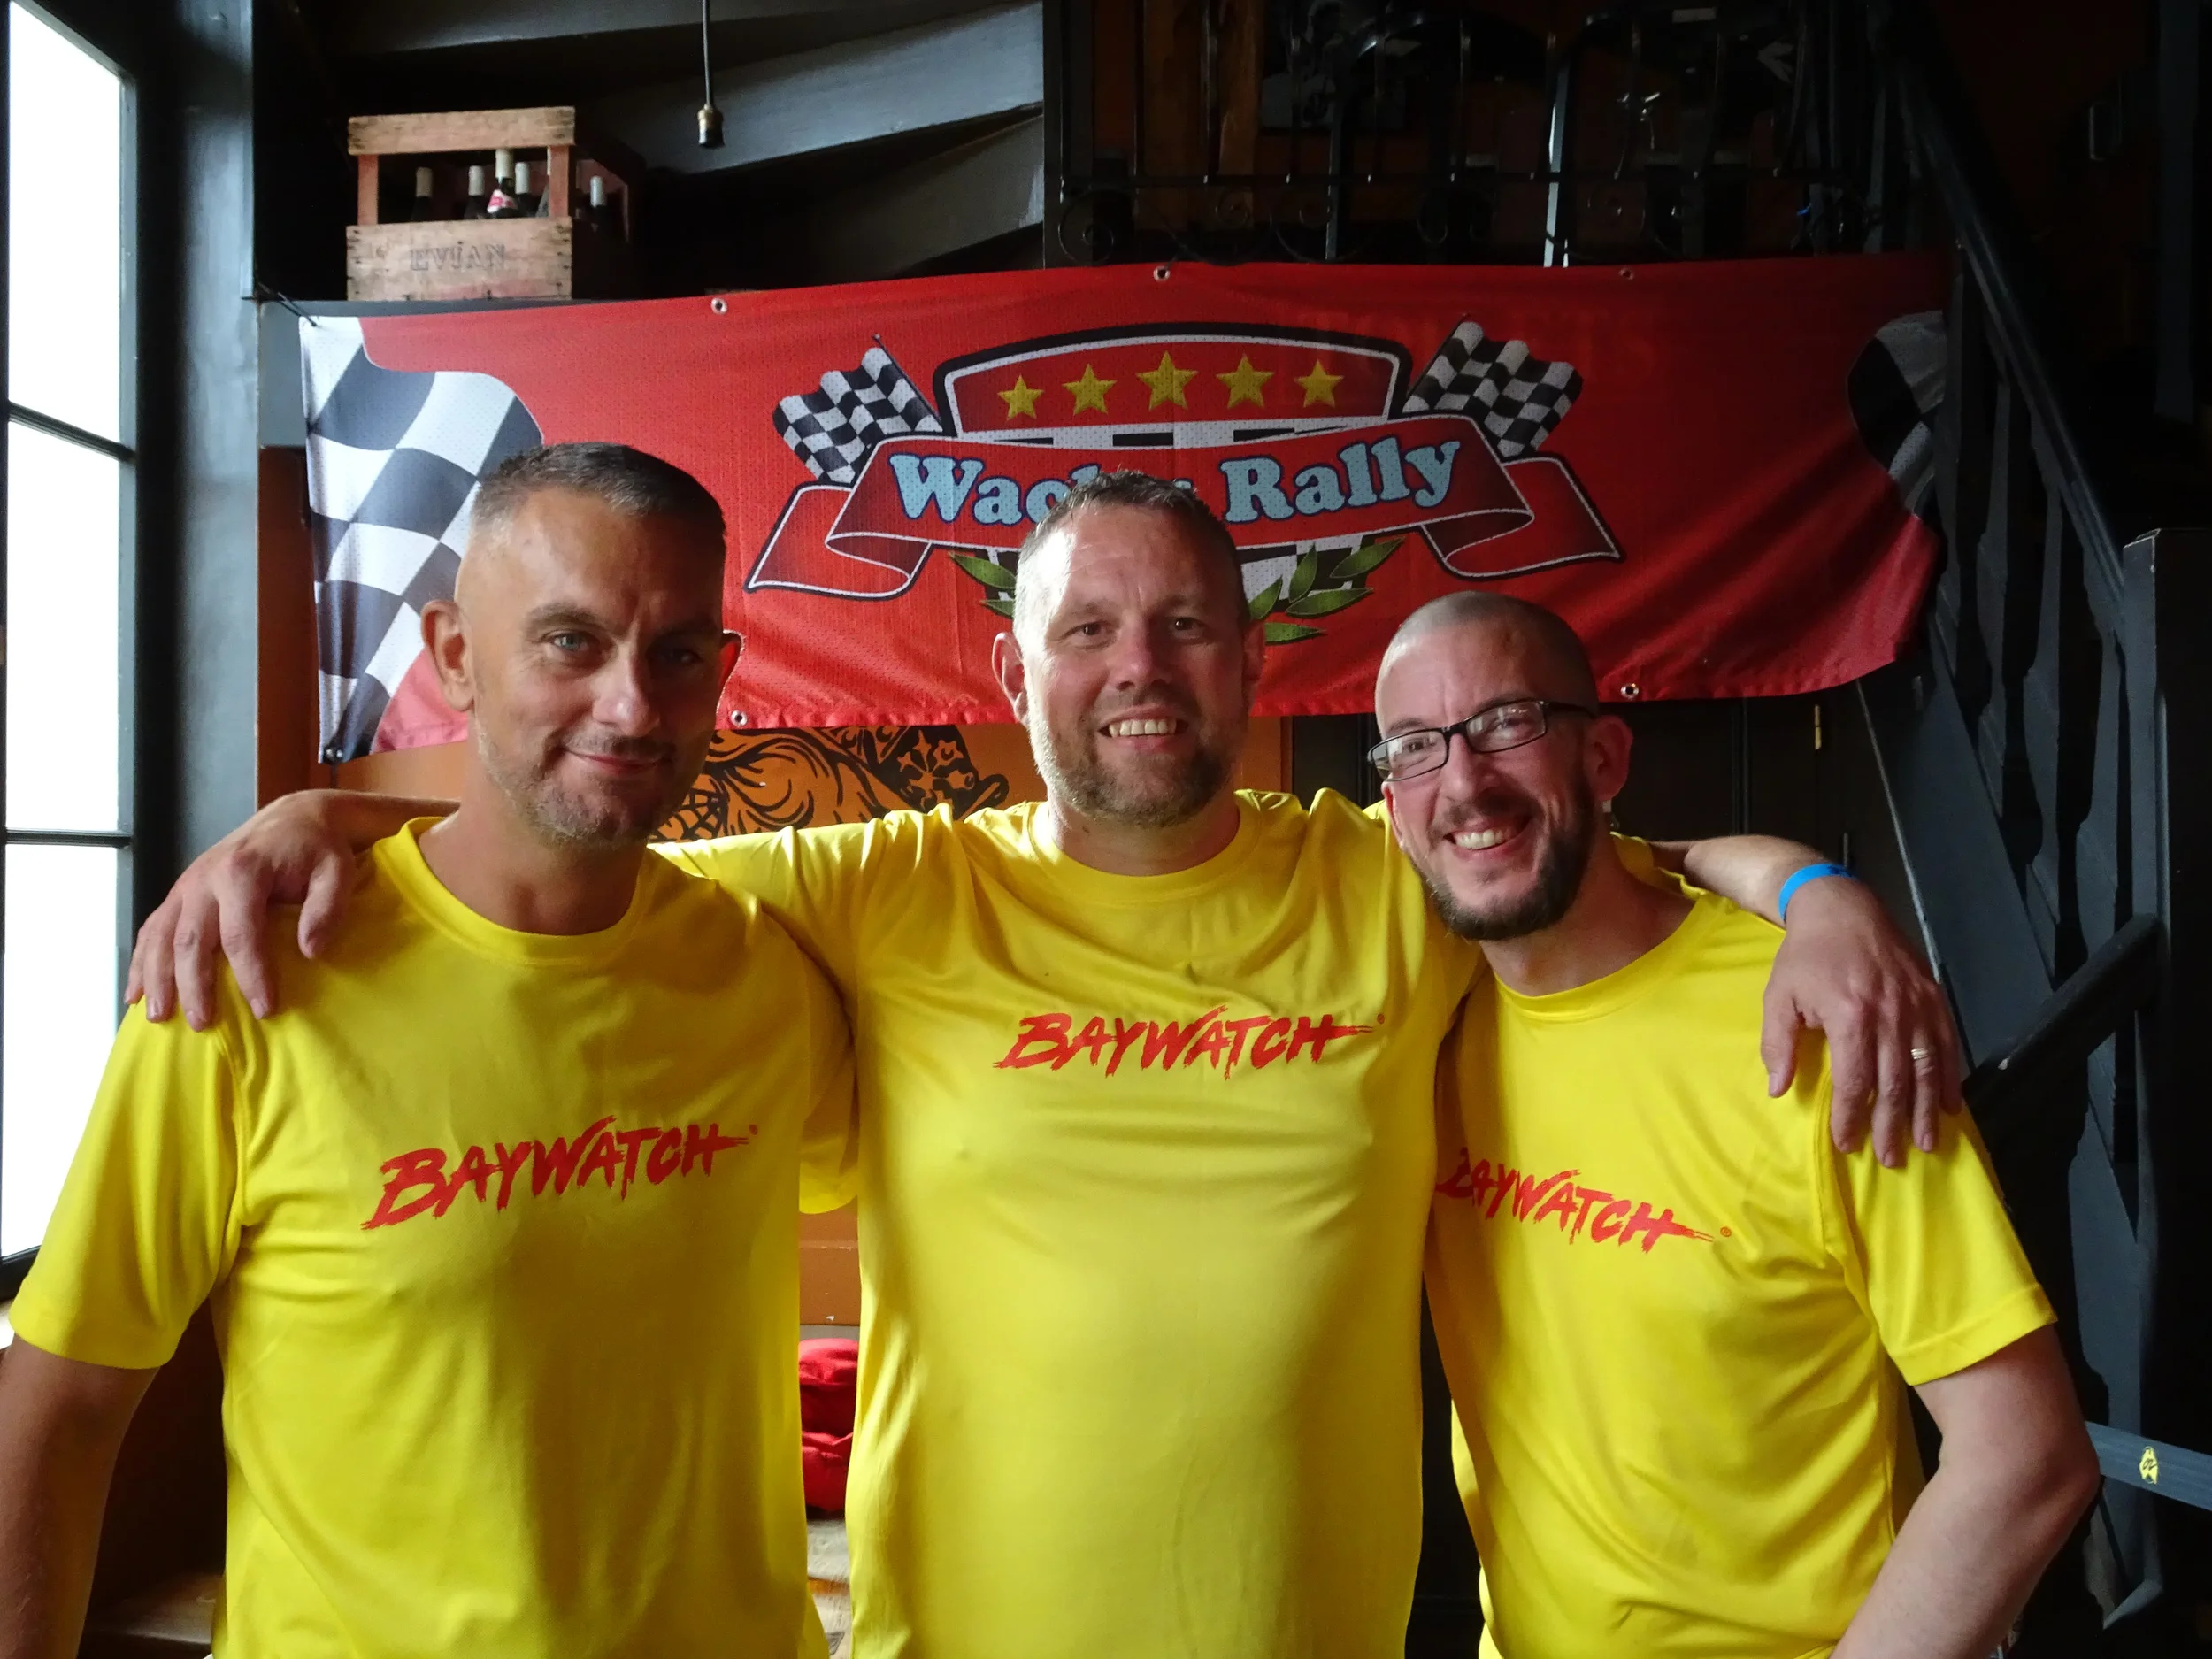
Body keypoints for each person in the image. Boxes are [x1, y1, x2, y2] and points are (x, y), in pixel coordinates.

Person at [128, 472, 1958, 1659]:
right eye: (1084, 628)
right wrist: (320, 809)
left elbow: (1604, 856)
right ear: (1013, 675)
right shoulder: (884, 883)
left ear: (1252, 665)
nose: (1133, 665)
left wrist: (1816, 888)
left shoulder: (1387, 871)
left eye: (1178, 624)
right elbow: (569, 827)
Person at [0, 445, 854, 1657]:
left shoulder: (765, 972)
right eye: (569, 641)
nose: (630, 703)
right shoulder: (248, 979)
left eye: (673, 654)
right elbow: (60, 1409)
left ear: (722, 675)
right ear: (454, 654)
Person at [1375, 592, 2100, 1659]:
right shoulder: (1419, 1019)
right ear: (1392, 808)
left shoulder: (1817, 1021)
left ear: (1603, 757)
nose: (1467, 779)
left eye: (1509, 722)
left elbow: (2026, 1457)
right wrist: (1807, 879)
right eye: (1418, 747)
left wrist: (1820, 899)